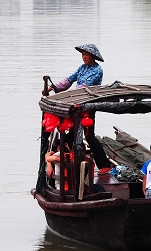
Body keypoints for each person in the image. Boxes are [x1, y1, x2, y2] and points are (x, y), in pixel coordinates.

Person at [42, 44, 113, 174]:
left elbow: (83, 87)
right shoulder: (82, 68)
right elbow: (69, 80)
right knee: (72, 132)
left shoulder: (97, 70)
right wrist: (51, 88)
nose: (84, 57)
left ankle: (104, 165)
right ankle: (63, 156)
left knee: (89, 136)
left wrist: (64, 96)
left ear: (93, 56)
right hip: (76, 104)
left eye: (86, 55)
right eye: (83, 55)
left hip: (88, 104)